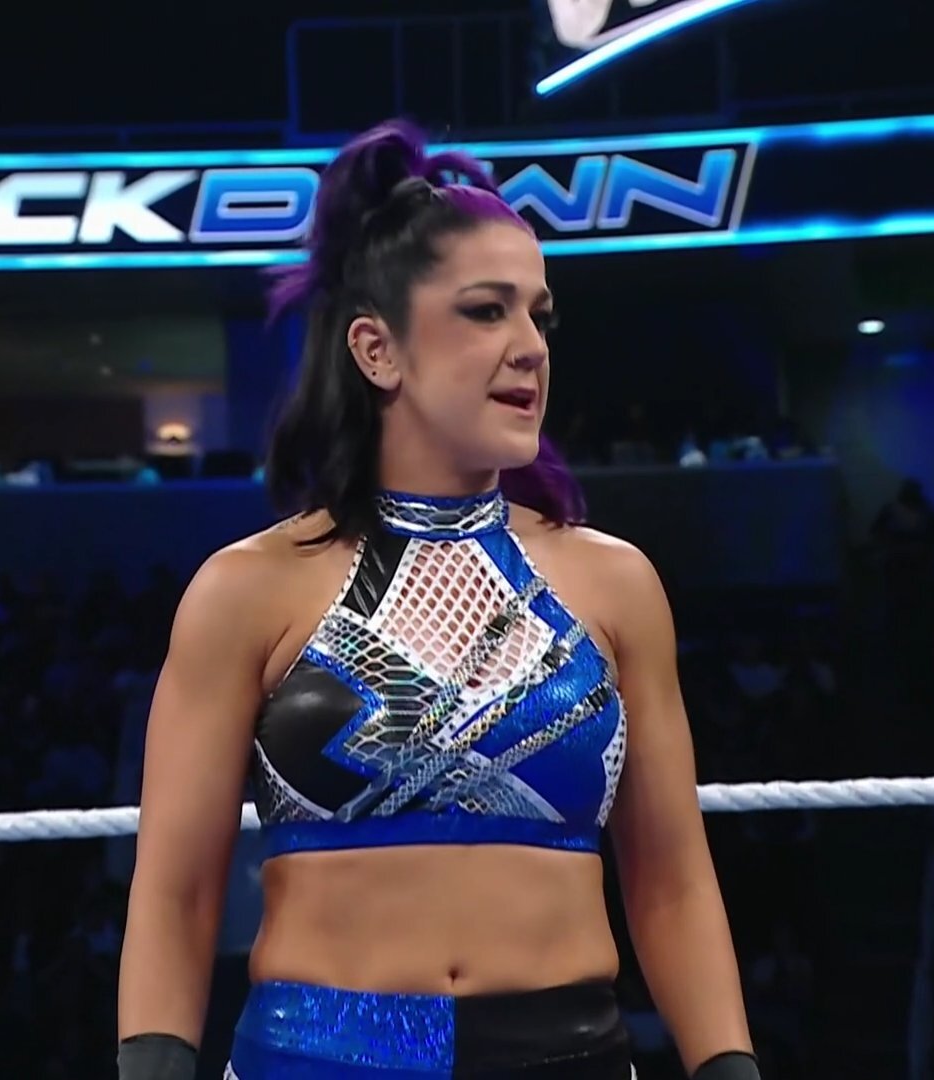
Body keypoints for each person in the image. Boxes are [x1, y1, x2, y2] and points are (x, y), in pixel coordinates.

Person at [117, 120, 757, 1079]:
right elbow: (177, 893)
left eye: (540, 316)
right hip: (317, 1060)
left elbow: (671, 884)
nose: (530, 347)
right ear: (378, 350)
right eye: (486, 312)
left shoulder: (615, 583)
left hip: (566, 1057)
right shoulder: (247, 589)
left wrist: (729, 1068)